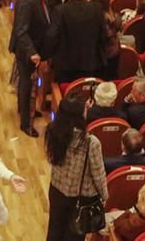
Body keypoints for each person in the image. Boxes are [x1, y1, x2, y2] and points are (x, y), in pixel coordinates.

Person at [44, 95, 108, 241]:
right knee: (74, 235)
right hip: (81, 197)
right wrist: (104, 196)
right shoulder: (91, 142)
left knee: (54, 230)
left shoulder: (53, 131)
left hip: (56, 190)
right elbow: (98, 174)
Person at [9, 0, 54, 137]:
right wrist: (32, 52)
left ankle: (27, 109)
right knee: (27, 84)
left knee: (28, 83)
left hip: (35, 46)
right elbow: (21, 30)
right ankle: (26, 123)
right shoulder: (28, 1)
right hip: (27, 50)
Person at [46, 0, 108, 84]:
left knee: (66, 95)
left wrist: (47, 55)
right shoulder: (96, 8)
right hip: (90, 61)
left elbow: (52, 36)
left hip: (65, 65)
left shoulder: (59, 11)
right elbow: (103, 34)